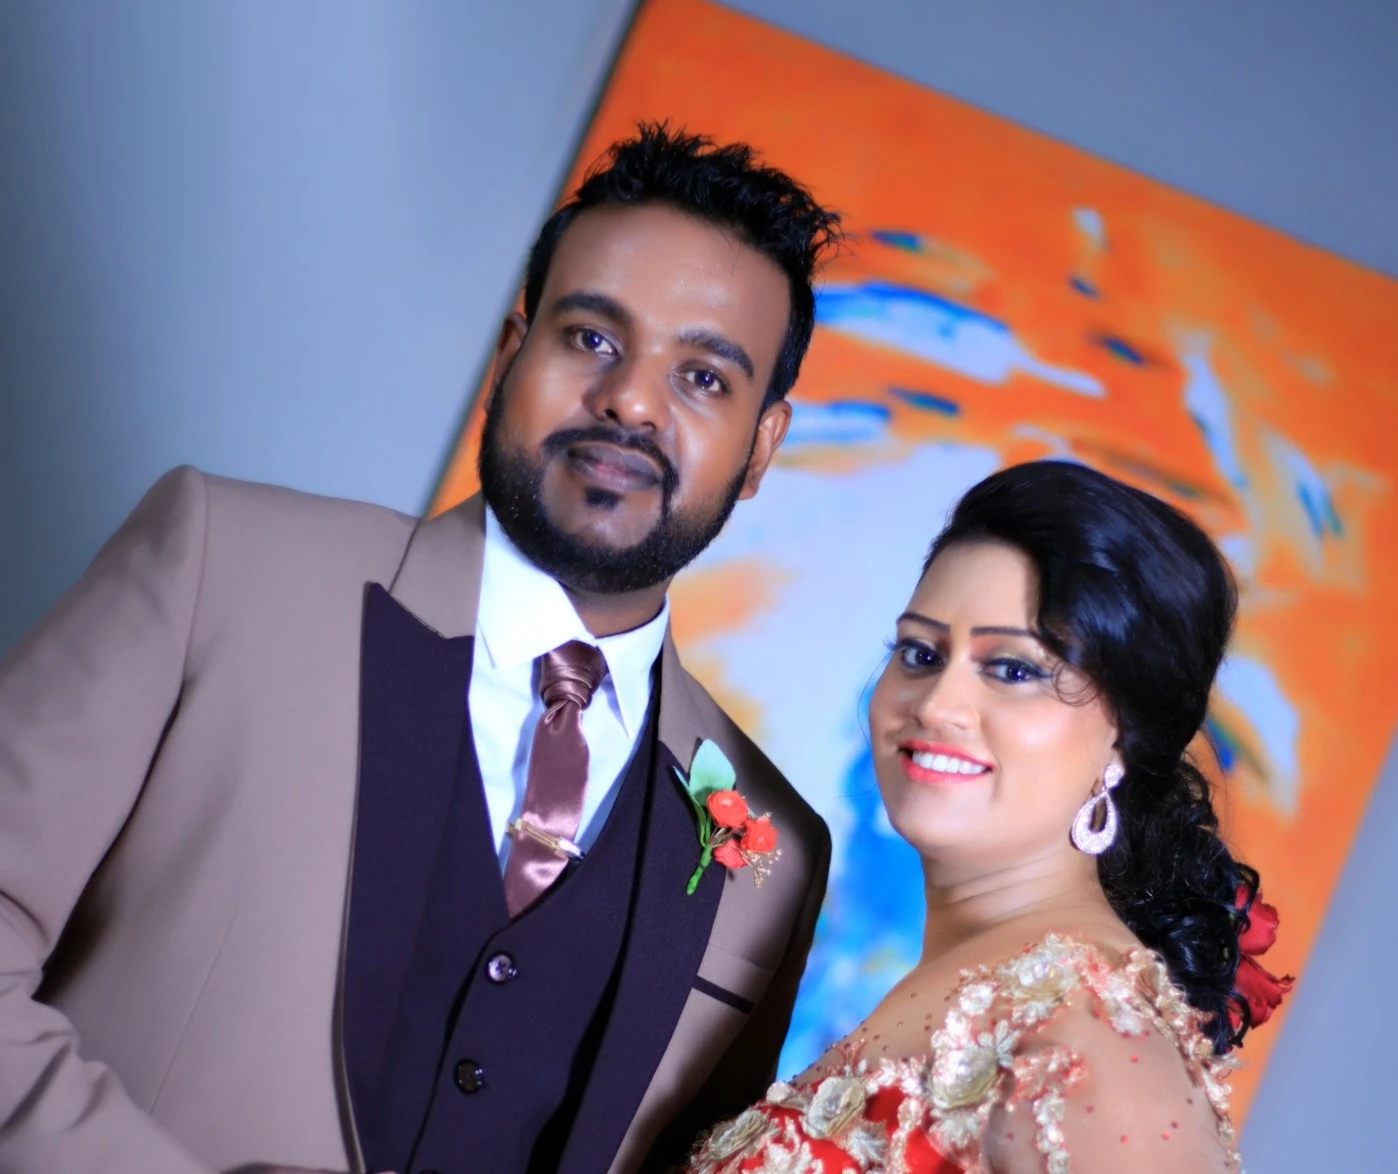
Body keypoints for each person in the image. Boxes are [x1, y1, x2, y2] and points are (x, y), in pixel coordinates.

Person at [0, 125, 841, 1174]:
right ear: (510, 356)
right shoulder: (221, 563)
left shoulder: (777, 849)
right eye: (590, 338)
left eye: (706, 378)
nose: (630, 400)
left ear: (763, 444)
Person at [686, 461, 1294, 1174]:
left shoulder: (1087, 1042)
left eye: (1013, 669)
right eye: (920, 652)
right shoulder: (988, 978)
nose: (936, 704)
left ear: (1124, 735)